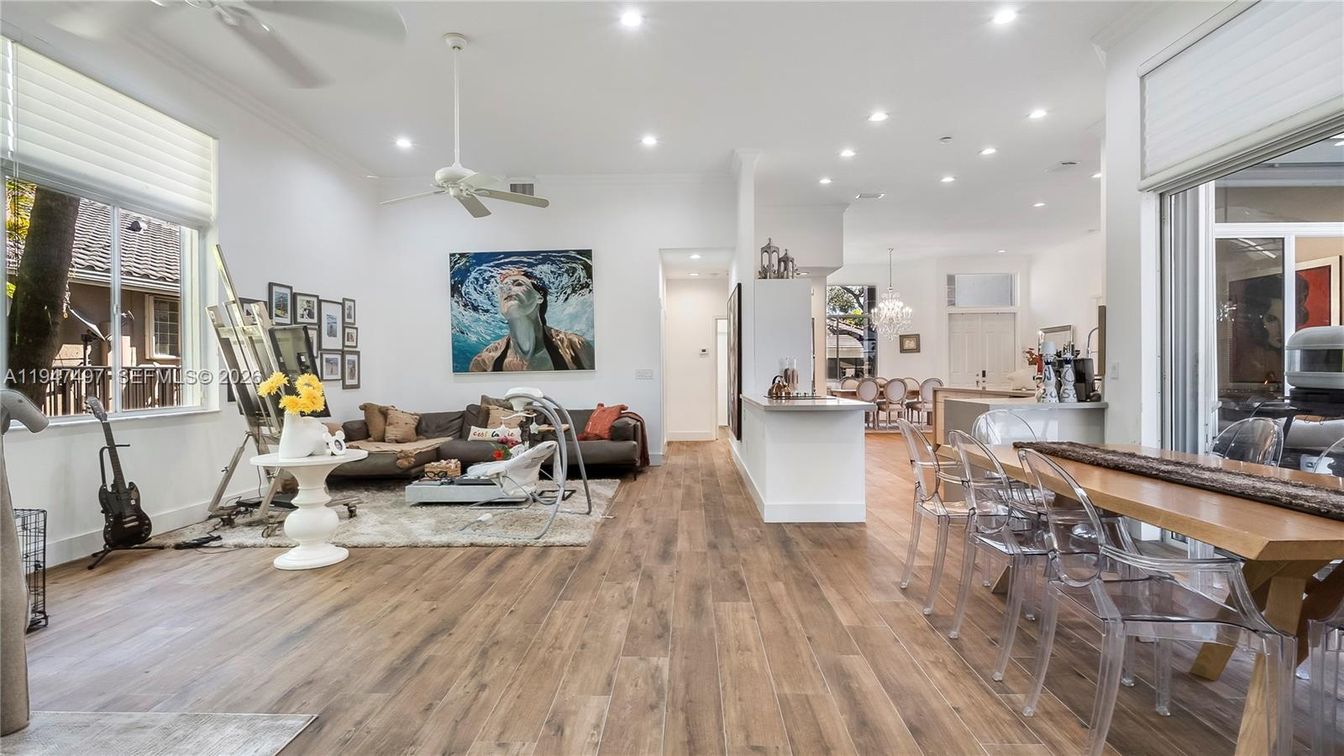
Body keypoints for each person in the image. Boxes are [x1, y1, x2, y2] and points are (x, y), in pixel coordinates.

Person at [469, 268, 593, 371]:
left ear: (539, 297)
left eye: (518, 284)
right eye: (503, 288)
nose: (507, 289)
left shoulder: (574, 346)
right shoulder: (484, 361)